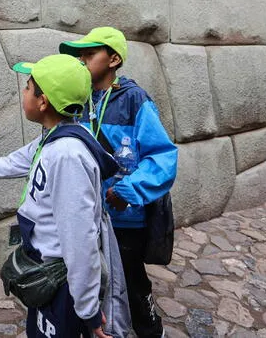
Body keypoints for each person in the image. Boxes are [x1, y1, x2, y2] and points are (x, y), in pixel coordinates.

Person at [0, 54, 121, 337]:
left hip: (63, 284)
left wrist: (89, 311)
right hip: (45, 273)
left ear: (43, 102)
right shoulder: (52, 138)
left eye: (28, 87)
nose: (24, 92)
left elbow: (81, 242)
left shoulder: (67, 155)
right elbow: (9, 163)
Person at [60, 27, 178, 338]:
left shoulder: (134, 100)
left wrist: (129, 190)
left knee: (130, 280)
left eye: (90, 54)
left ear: (114, 59)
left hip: (125, 218)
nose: (82, 60)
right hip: (87, 214)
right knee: (90, 276)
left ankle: (150, 328)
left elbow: (162, 156)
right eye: (79, 55)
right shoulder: (77, 99)